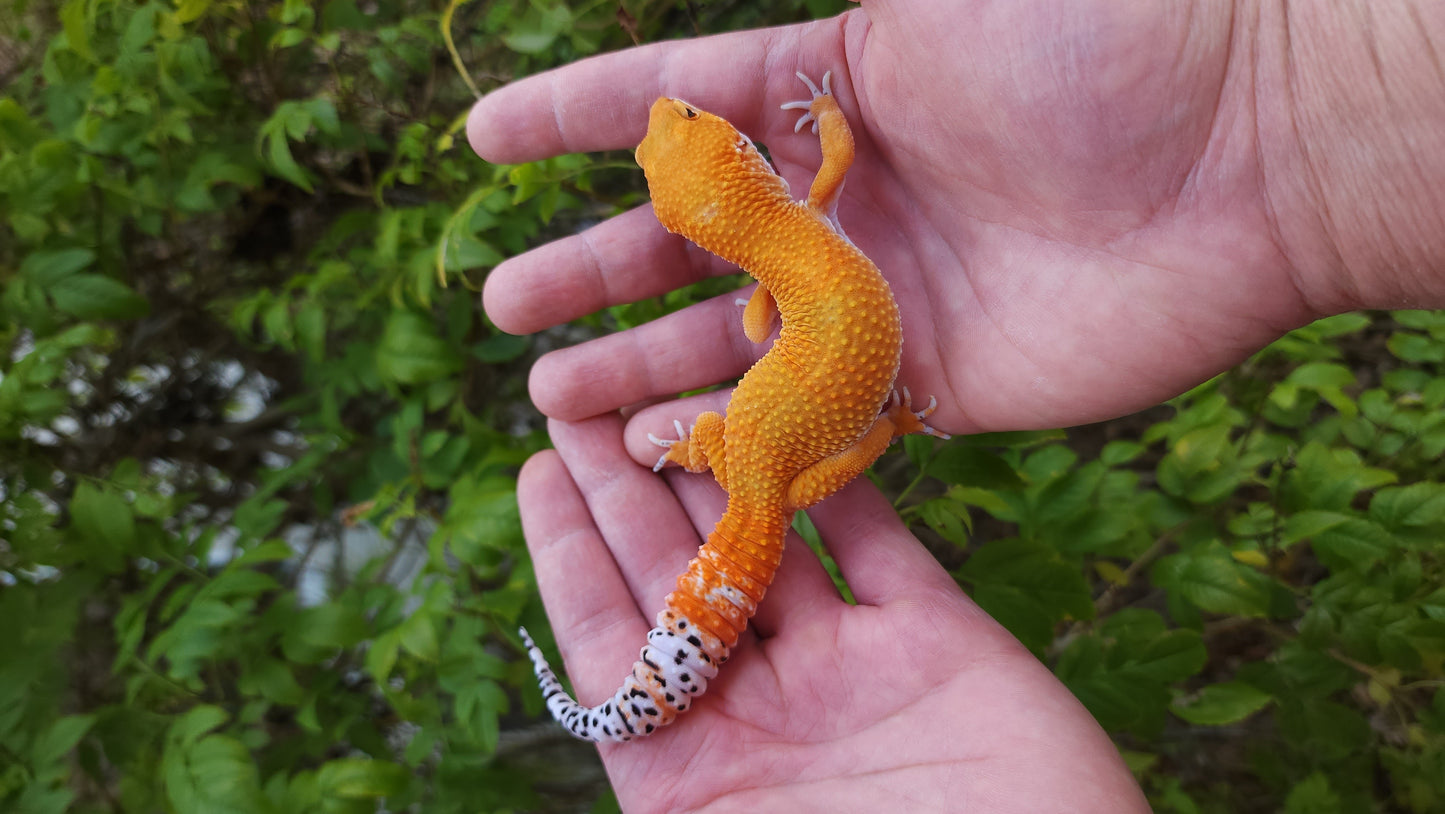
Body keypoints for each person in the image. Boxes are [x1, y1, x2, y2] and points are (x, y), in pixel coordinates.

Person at [467, 2, 1444, 811]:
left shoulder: (771, 268)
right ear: (740, 159)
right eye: (672, 139)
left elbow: (776, 351)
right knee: (752, 452)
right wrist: (877, 417)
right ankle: (636, 683)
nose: (663, 124)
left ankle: (633, 685)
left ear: (715, 196)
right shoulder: (794, 224)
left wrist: (862, 426)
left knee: (738, 451)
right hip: (766, 446)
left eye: (675, 130)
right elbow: (831, 165)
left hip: (752, 452)